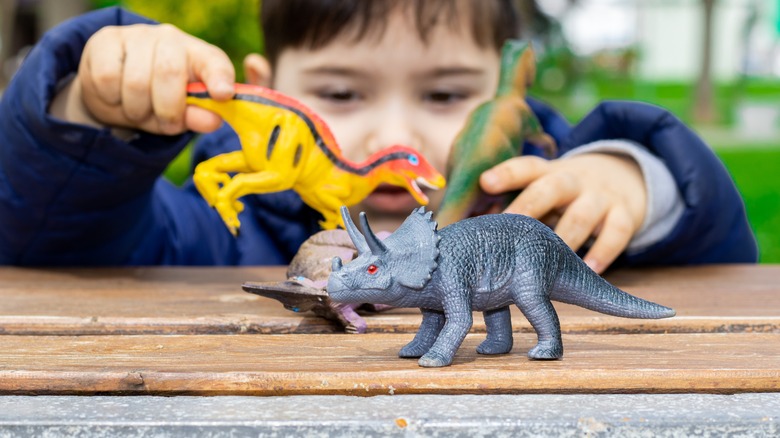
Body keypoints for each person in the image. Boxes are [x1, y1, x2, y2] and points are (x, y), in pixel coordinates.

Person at [0, 0, 757, 272]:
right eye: (338, 92)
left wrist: (634, 185)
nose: (394, 132)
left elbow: (720, 264)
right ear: (264, 83)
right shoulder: (208, 239)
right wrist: (84, 114)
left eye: (445, 93)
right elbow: (44, 232)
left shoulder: (539, 210)